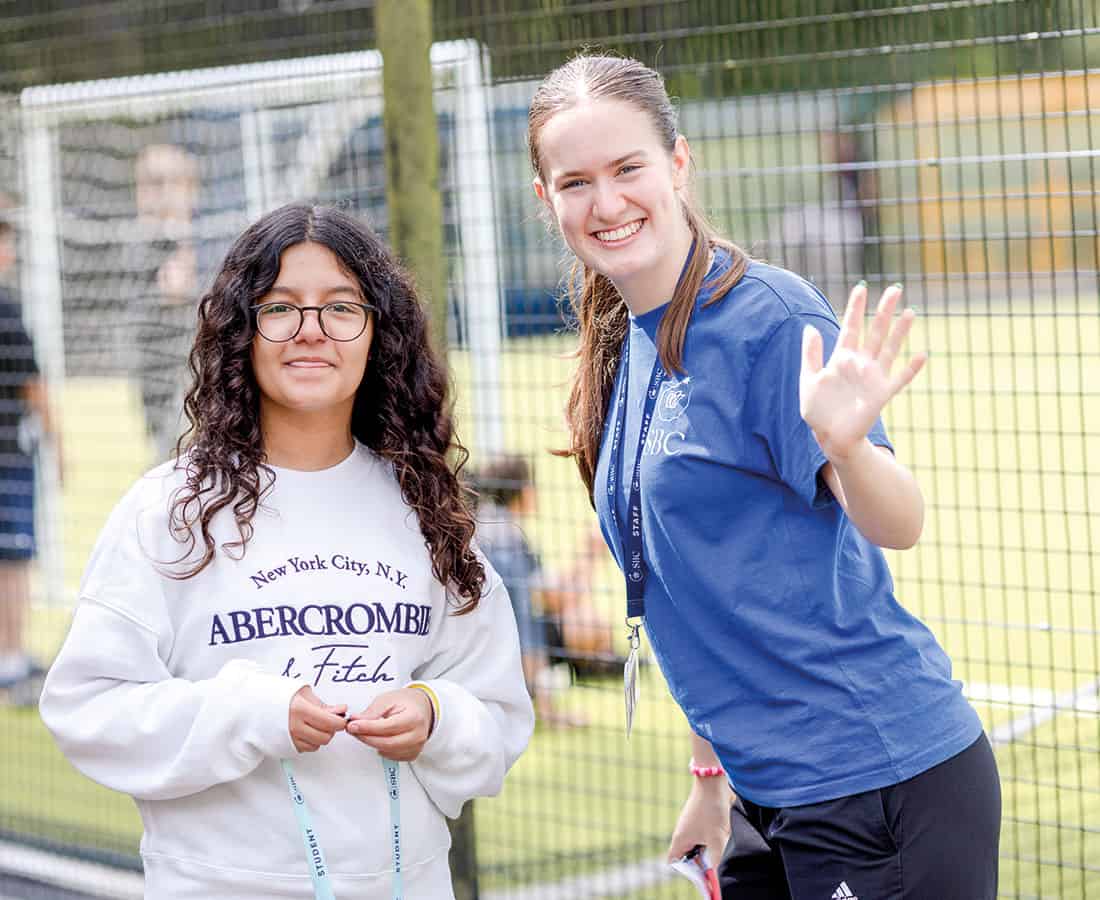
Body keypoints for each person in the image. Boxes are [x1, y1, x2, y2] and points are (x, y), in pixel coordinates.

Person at [526, 55, 1000, 900]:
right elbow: (686, 585)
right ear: (546, 198)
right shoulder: (619, 337)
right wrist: (711, 777)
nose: (606, 203)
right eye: (576, 181)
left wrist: (850, 448)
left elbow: (900, 523)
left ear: (678, 164)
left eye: (628, 168)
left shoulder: (771, 320)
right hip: (760, 793)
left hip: (875, 779)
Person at [39, 203, 534, 899]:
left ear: (377, 334)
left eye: (341, 308)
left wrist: (436, 716)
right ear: (243, 330)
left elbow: (500, 716)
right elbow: (87, 711)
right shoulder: (171, 510)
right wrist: (251, 714)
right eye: (280, 308)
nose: (311, 332)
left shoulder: (431, 512)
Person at [474, 453, 608, 727]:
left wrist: (586, 555)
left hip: (477, 654)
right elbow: (526, 620)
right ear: (524, 491)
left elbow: (549, 595)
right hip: (503, 661)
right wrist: (546, 710)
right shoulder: (507, 540)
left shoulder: (488, 525)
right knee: (586, 623)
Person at [0, 199, 60, 697]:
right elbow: (32, 382)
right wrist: (60, 443)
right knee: (13, 557)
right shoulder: (5, 304)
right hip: (7, 457)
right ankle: (10, 659)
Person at [132, 143, 202, 459]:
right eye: (150, 184)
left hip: (196, 383)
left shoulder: (203, 240)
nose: (159, 194)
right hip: (161, 388)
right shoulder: (143, 245)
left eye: (169, 183)